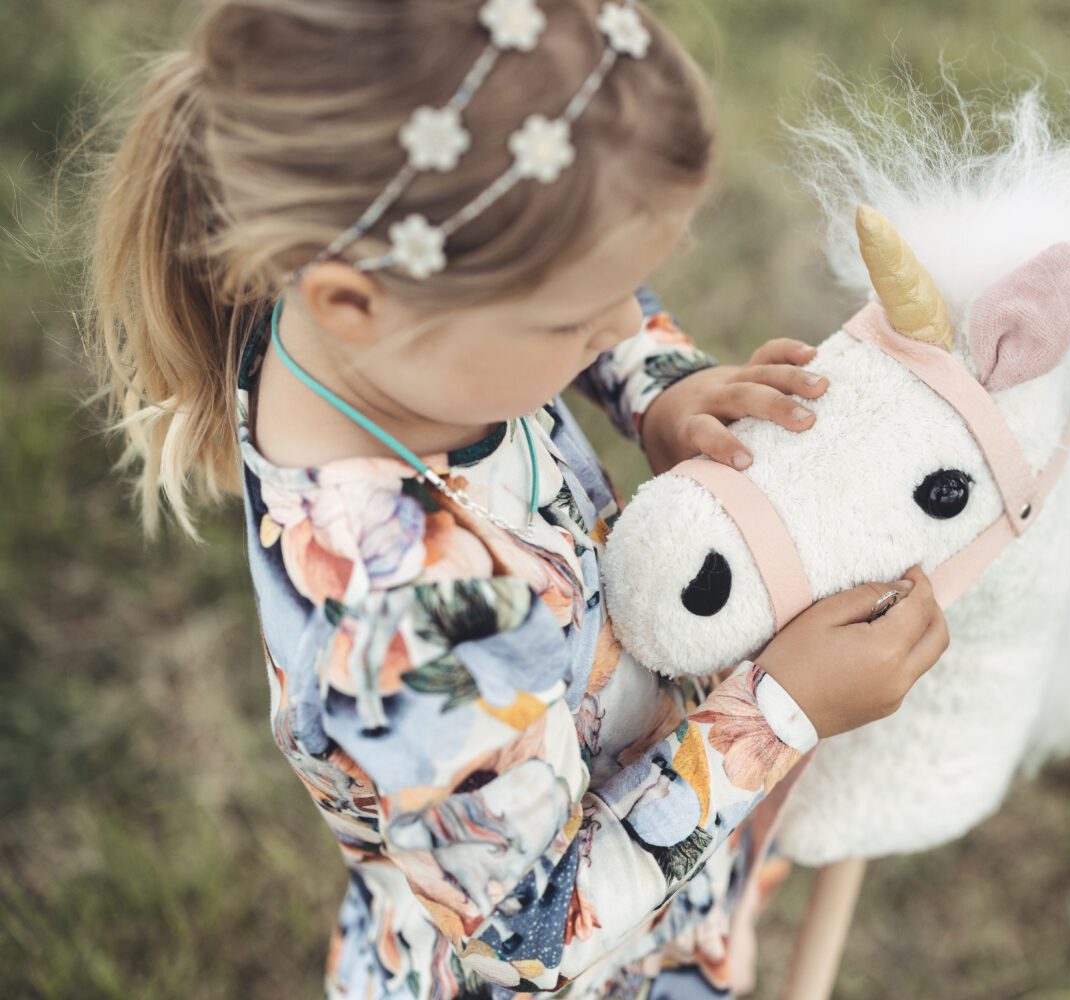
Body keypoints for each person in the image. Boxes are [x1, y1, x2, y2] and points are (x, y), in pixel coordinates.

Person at [82, 1, 948, 996]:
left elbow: (567, 267)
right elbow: (533, 931)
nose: (627, 316)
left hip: (623, 786)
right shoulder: (402, 629)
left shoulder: (380, 316)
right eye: (580, 319)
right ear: (355, 304)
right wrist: (779, 712)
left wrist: (653, 379)